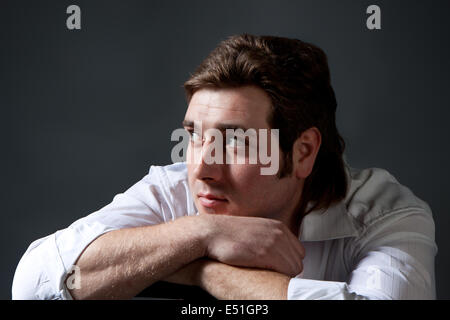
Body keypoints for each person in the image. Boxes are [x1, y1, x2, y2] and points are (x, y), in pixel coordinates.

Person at [12, 34, 437, 300]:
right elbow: (34, 285)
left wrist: (203, 273)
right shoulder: (174, 190)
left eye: (236, 141)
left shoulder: (386, 214)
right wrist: (200, 233)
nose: (202, 169)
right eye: (195, 135)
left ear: (304, 151)